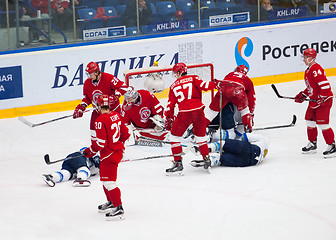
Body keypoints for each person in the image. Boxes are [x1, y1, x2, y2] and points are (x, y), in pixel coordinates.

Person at [83, 94, 130, 221]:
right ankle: (111, 202)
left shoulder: (100, 120)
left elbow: (101, 143)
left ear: (98, 106)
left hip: (109, 154)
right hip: (115, 152)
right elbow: (126, 135)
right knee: (104, 180)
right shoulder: (117, 116)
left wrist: (90, 151)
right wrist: (118, 146)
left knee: (109, 182)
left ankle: (119, 207)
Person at [164, 62, 217, 175]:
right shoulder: (194, 78)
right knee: (200, 137)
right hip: (198, 111)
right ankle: (206, 159)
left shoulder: (173, 86)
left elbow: (170, 106)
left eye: (175, 73)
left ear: (179, 72)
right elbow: (205, 86)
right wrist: (215, 84)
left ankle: (178, 163)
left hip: (184, 113)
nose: (175, 75)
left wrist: (169, 118)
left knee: (174, 137)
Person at [294, 48, 336, 157]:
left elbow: (326, 86)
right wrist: (303, 95)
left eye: (305, 57)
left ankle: (332, 146)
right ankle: (313, 143)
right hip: (315, 101)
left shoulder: (316, 69)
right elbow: (311, 87)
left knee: (323, 124)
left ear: (311, 58)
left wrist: (322, 97)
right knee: (309, 121)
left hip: (324, 101)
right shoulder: (308, 70)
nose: (303, 60)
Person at [73, 61, 127, 142]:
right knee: (93, 131)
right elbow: (88, 97)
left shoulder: (109, 78)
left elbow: (124, 87)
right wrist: (82, 107)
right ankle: (95, 150)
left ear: (97, 72)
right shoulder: (87, 83)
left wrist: (115, 97)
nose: (89, 76)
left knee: (115, 133)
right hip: (98, 111)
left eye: (90, 74)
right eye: (88, 74)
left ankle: (118, 150)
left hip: (113, 111)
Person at [204, 64, 256, 137]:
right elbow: (251, 99)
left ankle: (200, 130)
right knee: (245, 111)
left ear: (236, 70)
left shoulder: (229, 74)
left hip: (223, 89)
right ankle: (247, 130)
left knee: (210, 113)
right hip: (238, 91)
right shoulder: (247, 79)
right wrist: (251, 114)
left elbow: (225, 87)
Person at [190, 132, 269, 167]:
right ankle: (211, 161)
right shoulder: (265, 148)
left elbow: (245, 136)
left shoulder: (261, 137)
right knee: (221, 158)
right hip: (249, 162)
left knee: (224, 144)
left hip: (249, 149)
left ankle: (207, 149)